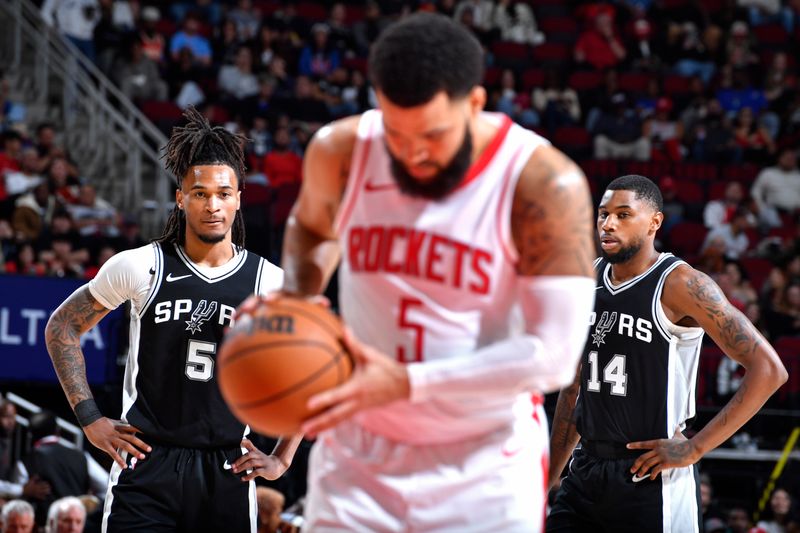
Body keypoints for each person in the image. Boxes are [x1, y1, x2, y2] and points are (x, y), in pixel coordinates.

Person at [272, 12, 596, 531]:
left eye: (432, 135)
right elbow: (311, 229)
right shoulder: (342, 151)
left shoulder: (542, 183)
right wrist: (294, 299)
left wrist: (405, 382)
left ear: (474, 103)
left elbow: (555, 355)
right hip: (358, 455)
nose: (413, 153)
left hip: (484, 466)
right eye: (396, 133)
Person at [44, 107, 302, 532]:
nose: (212, 205)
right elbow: (62, 326)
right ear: (180, 198)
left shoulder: (270, 283)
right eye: (200, 194)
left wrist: (282, 458)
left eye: (223, 193)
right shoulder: (141, 265)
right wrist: (90, 418)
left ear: (238, 198)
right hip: (147, 463)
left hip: (227, 466)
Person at [546, 175, 788, 533]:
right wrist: (548, 478)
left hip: (649, 475)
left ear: (654, 223)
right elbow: (574, 388)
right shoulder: (588, 279)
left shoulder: (682, 284)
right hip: (584, 474)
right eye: (603, 214)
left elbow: (769, 370)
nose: (608, 224)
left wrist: (694, 448)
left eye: (624, 214)